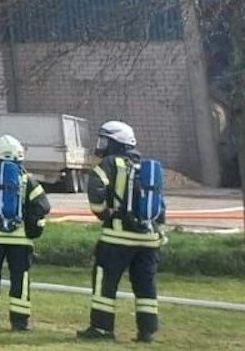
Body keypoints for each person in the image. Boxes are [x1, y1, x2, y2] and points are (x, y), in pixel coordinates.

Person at [80, 120, 165, 343]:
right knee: (146, 286)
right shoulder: (146, 168)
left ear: (117, 142)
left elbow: (95, 188)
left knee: (105, 281)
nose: (102, 145)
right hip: (149, 239)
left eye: (105, 140)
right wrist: (158, 232)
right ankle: (147, 332)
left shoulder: (110, 163)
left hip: (116, 238)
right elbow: (160, 207)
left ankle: (101, 328)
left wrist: (104, 213)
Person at [0, 134, 51, 331]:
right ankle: (20, 323)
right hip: (21, 241)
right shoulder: (27, 179)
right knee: (19, 279)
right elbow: (44, 205)